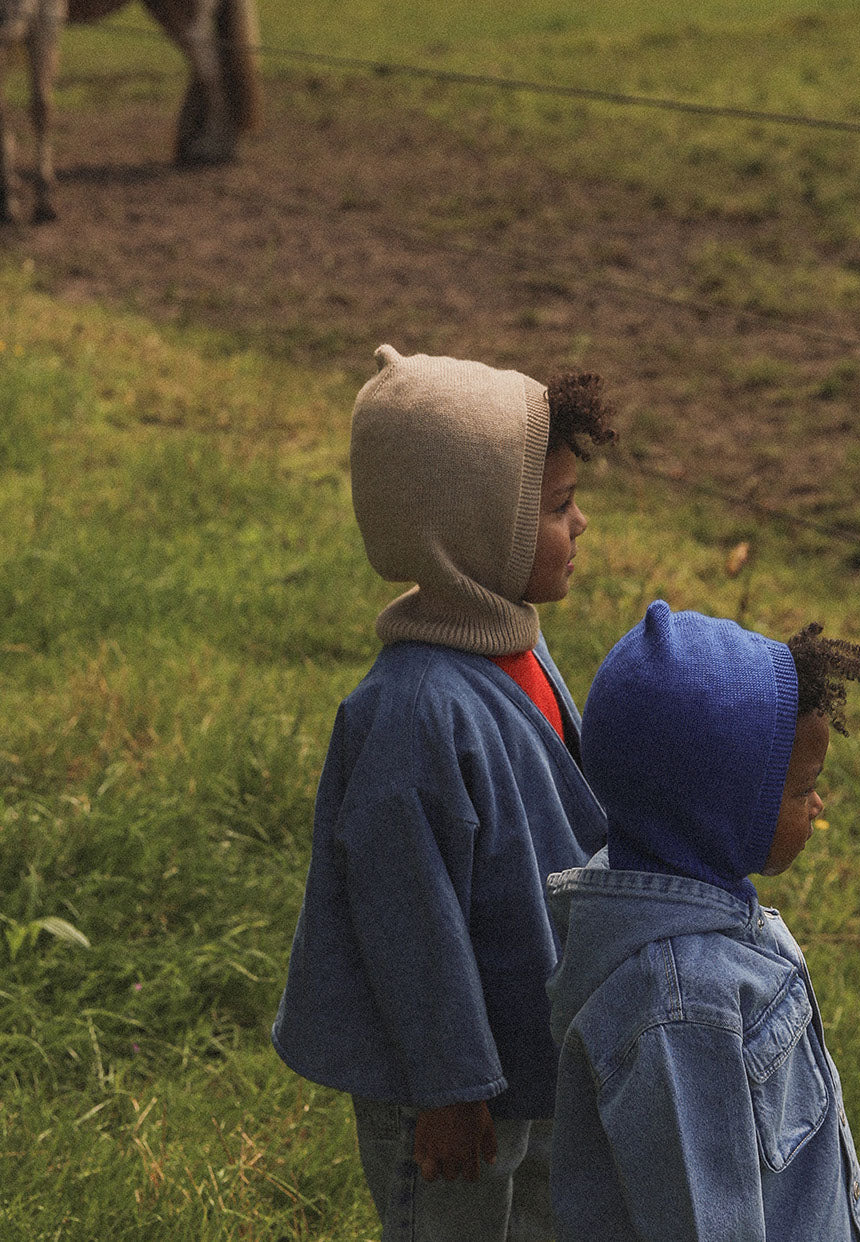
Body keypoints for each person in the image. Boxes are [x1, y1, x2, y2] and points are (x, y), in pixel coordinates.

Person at [272, 344, 616, 1241]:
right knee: (454, 1224)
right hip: (450, 1086)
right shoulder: (414, 713)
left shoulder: (519, 647)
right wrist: (447, 1088)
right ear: (471, 526)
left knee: (540, 1217)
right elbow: (407, 917)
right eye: (558, 507)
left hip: (527, 1046)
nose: (579, 525)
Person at [546, 600, 860, 1242]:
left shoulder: (688, 897)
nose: (819, 802)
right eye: (800, 787)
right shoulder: (681, 1005)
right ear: (719, 813)